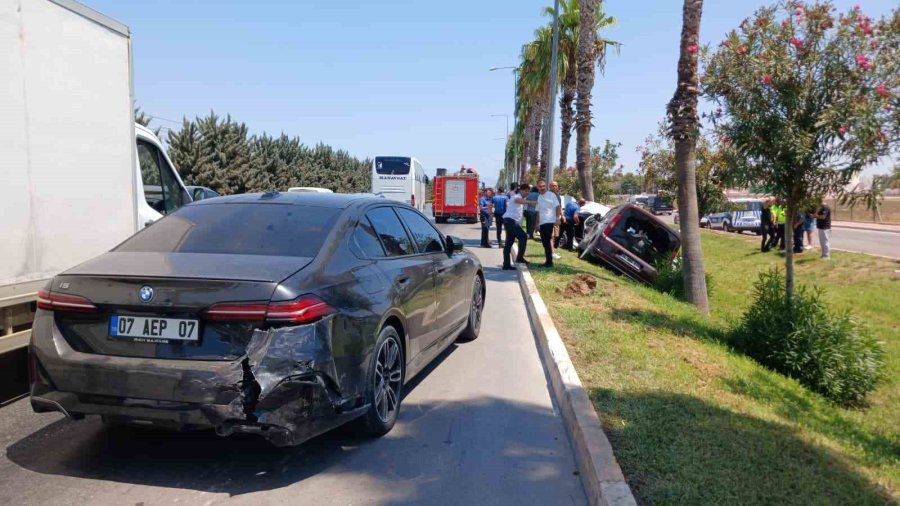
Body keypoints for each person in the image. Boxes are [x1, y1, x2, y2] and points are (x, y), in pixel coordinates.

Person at [502, 184, 538, 270]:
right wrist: (534, 202)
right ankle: (519, 258)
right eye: (526, 191)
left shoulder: (519, 197)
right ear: (521, 190)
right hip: (510, 221)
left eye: (528, 191)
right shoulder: (516, 197)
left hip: (510, 221)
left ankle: (506, 264)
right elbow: (520, 201)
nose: (527, 193)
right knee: (523, 237)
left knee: (509, 243)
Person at [535, 180, 562, 268]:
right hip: (542, 222)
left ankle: (549, 263)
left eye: (543, 186)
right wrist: (537, 223)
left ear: (545, 186)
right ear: (537, 187)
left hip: (549, 221)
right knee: (544, 242)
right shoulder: (539, 197)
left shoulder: (551, 195)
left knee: (546, 241)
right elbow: (538, 211)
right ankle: (548, 261)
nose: (542, 188)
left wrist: (557, 218)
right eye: (540, 186)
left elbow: (558, 206)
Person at [549, 181, 563, 260]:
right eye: (553, 186)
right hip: (550, 218)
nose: (554, 187)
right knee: (550, 236)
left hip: (556, 218)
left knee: (554, 236)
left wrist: (562, 216)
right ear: (550, 186)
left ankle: (552, 251)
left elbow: (559, 206)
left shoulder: (558, 196)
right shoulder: (547, 195)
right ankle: (552, 253)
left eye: (556, 186)